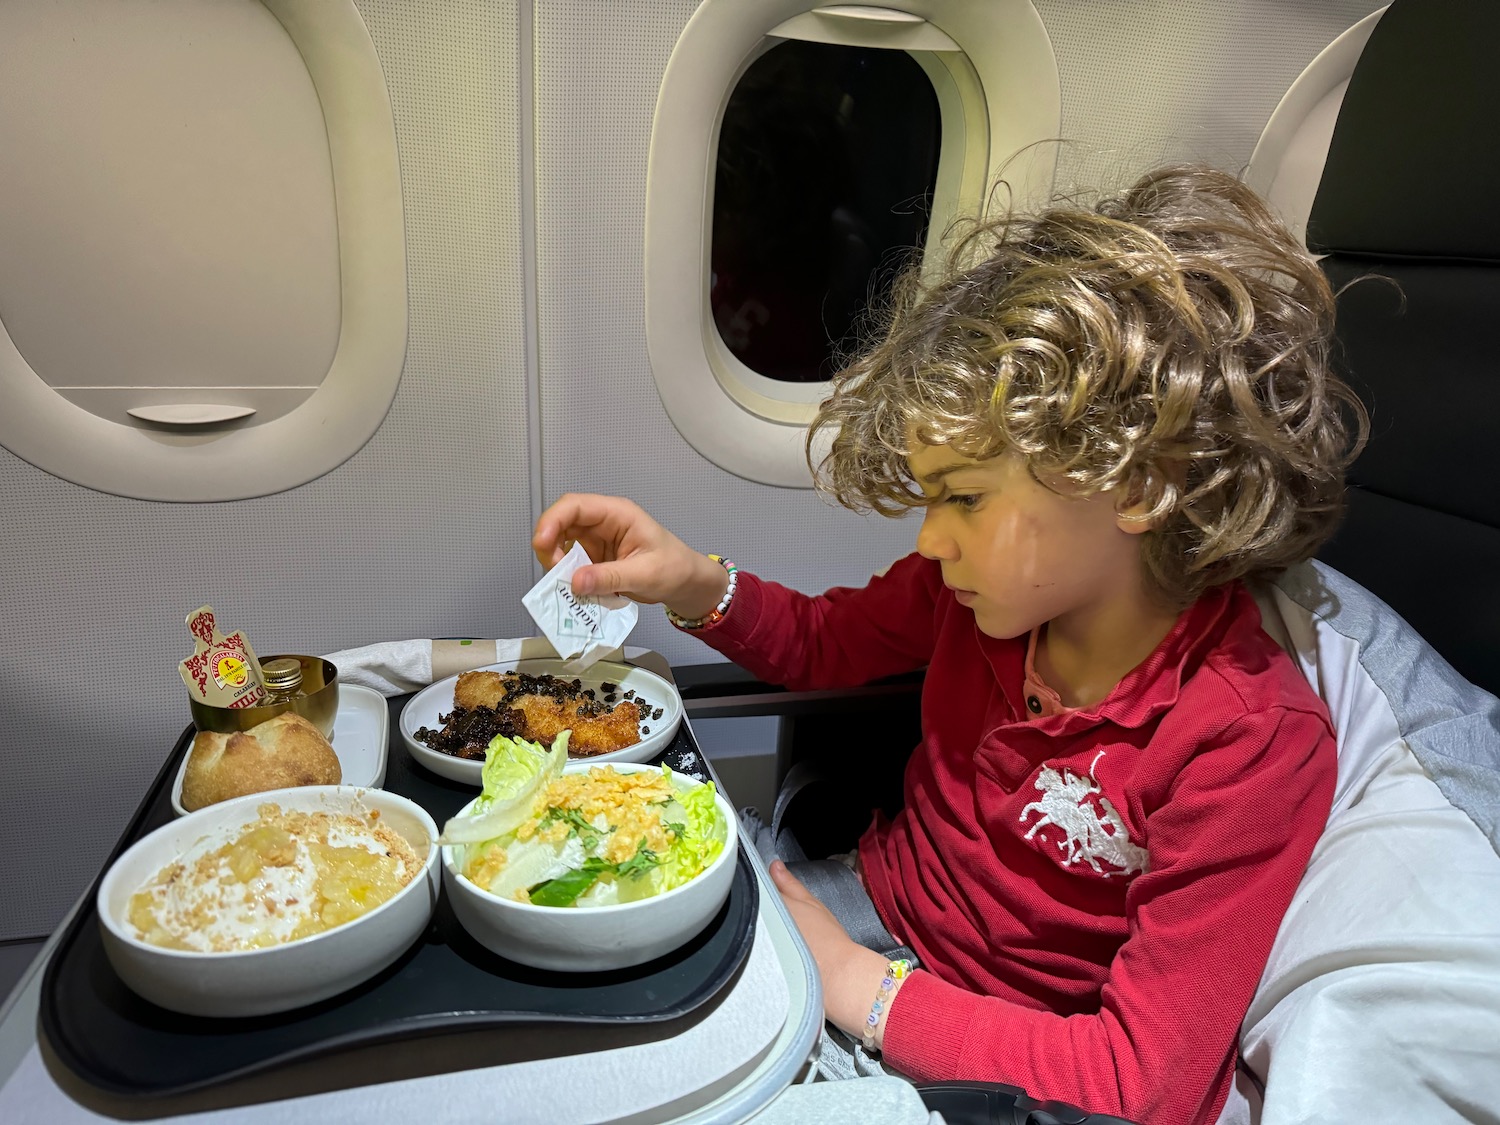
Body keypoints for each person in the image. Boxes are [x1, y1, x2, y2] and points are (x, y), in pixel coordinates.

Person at [532, 165, 1368, 1125]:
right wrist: (688, 578)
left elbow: (1143, 1083)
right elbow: (819, 642)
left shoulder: (1245, 739)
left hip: (998, 1046)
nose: (930, 539)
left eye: (964, 497)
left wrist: (854, 985)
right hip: (873, 902)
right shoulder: (971, 596)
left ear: (1143, 484)